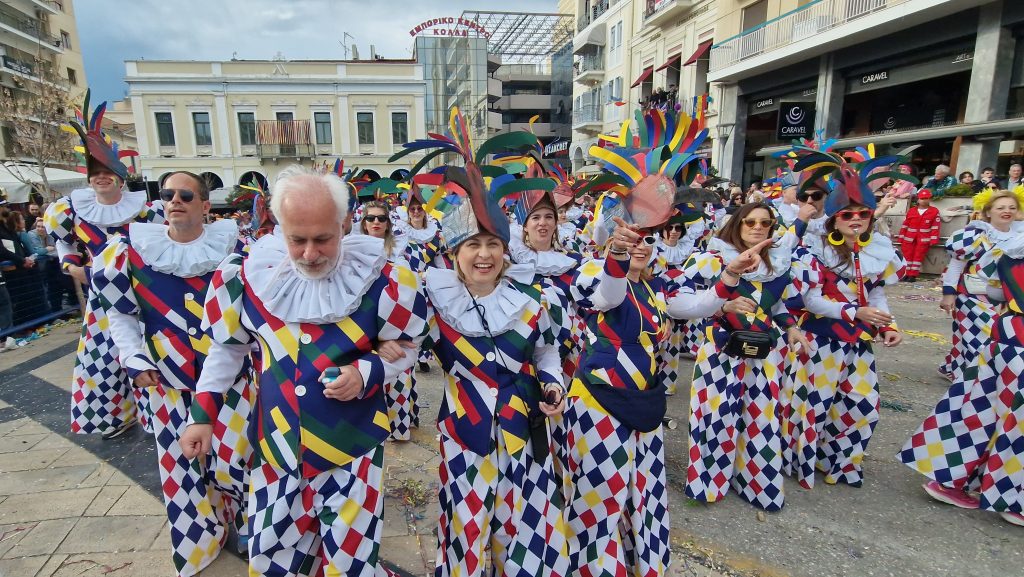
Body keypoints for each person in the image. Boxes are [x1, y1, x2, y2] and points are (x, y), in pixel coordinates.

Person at [179, 165, 428, 576]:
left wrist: (367, 372)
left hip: (354, 451)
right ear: (279, 227)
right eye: (298, 240)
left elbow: (407, 348)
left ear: (345, 223)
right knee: (273, 558)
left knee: (352, 564)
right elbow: (226, 351)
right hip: (277, 450)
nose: (310, 254)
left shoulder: (385, 281)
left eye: (323, 239)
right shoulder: (245, 277)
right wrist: (202, 417)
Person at [397, 118, 567, 575]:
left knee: (527, 522)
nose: (484, 254)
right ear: (455, 252)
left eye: (493, 243)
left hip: (523, 428)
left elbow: (545, 351)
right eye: (473, 243)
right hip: (464, 433)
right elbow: (405, 347)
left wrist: (552, 385)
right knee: (466, 525)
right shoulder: (434, 301)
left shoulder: (531, 298)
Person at [93, 171, 252, 576]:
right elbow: (120, 314)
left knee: (238, 459)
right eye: (167, 194)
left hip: (231, 382)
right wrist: (134, 360)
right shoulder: (129, 252)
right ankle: (199, 543)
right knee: (181, 470)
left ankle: (250, 527)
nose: (174, 200)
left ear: (204, 204)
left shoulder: (236, 251)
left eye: (185, 194)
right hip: (166, 382)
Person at [671, 202, 808, 511]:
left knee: (761, 419)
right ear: (737, 224)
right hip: (720, 352)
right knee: (715, 418)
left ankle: (755, 484)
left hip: (763, 353)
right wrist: (722, 307)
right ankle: (708, 484)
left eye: (765, 223)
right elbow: (680, 298)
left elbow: (778, 306)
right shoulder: (711, 260)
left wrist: (791, 328)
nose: (758, 227)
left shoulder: (780, 265)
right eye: (750, 222)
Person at [785, 150, 907, 490]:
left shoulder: (877, 249)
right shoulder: (814, 249)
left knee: (863, 405)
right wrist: (854, 312)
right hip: (820, 339)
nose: (856, 219)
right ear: (835, 219)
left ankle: (840, 463)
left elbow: (877, 293)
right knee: (815, 407)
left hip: (859, 342)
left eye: (863, 214)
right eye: (849, 214)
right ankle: (802, 462)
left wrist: (889, 324)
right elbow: (808, 300)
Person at [44, 93, 165, 439]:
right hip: (101, 294)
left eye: (107, 171)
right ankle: (112, 418)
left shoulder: (147, 211)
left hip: (141, 293)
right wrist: (72, 268)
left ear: (119, 174)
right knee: (102, 359)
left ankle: (154, 415)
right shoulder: (70, 210)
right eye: (95, 172)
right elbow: (64, 244)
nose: (101, 178)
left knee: (145, 354)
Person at [899, 229, 1024, 527]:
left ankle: (952, 481)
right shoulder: (1005, 244)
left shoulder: (1012, 248)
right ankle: (1011, 498)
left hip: (1005, 334)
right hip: (1013, 340)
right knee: (1008, 420)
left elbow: (992, 289)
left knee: (981, 410)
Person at [936, 189, 1024, 382]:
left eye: (1012, 207)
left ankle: (953, 367)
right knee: (986, 334)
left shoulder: (1020, 238)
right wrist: (948, 294)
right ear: (988, 211)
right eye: (1000, 207)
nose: (1006, 211)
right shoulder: (974, 236)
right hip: (972, 296)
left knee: (966, 334)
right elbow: (955, 266)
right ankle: (977, 378)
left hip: (1004, 298)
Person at [360, 199, 418, 441]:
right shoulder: (353, 250)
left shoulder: (401, 251)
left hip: (395, 320)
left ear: (387, 223)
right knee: (368, 377)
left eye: (381, 218)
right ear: (363, 223)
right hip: (364, 321)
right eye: (371, 218)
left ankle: (399, 428)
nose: (376, 222)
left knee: (399, 372)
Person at [896, 190, 941, 281]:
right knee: (907, 256)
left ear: (929, 199)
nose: (924, 200)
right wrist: (901, 237)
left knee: (918, 257)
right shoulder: (912, 211)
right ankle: (906, 274)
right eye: (922, 198)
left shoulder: (934, 211)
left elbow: (935, 226)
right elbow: (905, 225)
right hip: (909, 239)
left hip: (923, 239)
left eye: (926, 198)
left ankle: (913, 275)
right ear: (918, 199)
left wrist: (933, 240)